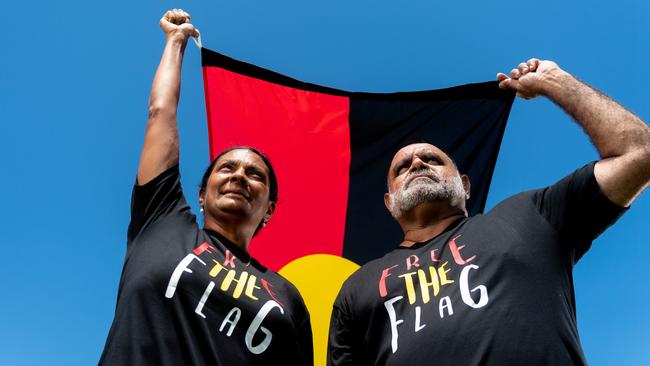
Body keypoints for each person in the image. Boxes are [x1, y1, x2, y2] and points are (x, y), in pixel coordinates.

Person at [327, 58, 650, 365]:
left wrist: (557, 82)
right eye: (402, 168)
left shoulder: (531, 215)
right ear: (390, 203)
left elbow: (640, 152)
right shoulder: (357, 289)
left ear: (465, 186)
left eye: (433, 159)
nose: (417, 163)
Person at [99, 9, 313, 365]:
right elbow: (161, 112)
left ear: (269, 209)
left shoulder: (286, 297)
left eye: (255, 174)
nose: (239, 176)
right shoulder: (162, 221)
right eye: (227, 167)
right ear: (201, 194)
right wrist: (175, 41)